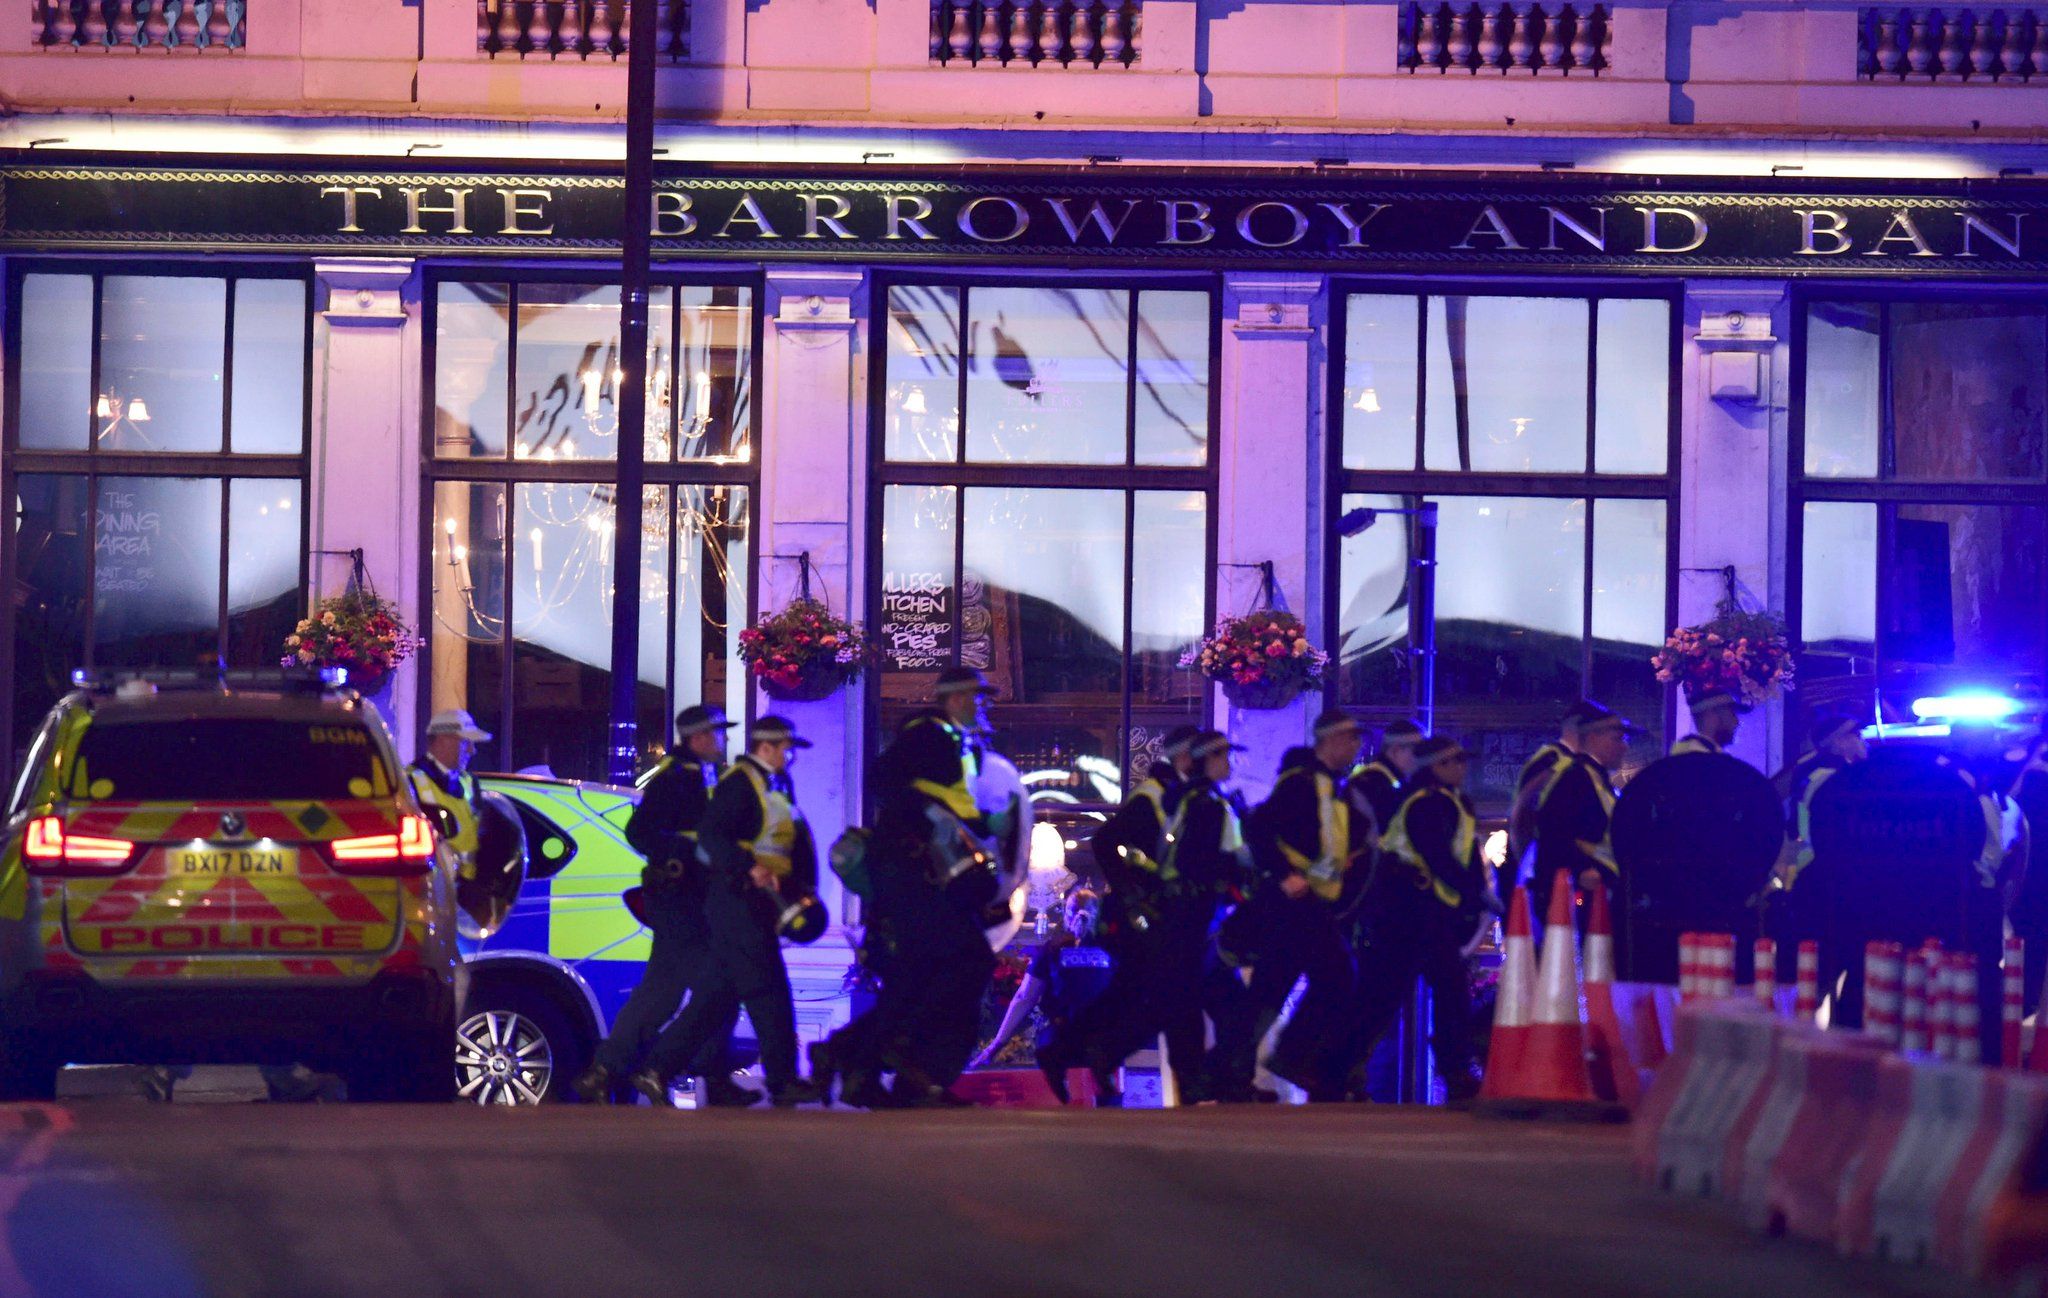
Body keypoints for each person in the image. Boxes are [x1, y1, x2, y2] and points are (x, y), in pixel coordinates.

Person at [812, 666, 1002, 1108]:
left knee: (924, 976)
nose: (984, 706)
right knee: (951, 966)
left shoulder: (961, 743)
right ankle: (893, 1070)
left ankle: (867, 1064)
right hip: (912, 876)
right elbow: (884, 780)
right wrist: (926, 816)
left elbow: (955, 808)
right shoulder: (927, 733)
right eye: (978, 697)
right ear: (956, 699)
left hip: (930, 877)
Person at [619, 715, 825, 1107]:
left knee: (717, 998)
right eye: (786, 749)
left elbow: (792, 840)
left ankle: (656, 1070)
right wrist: (748, 867)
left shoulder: (777, 782)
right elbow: (713, 838)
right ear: (766, 747)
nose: (791, 757)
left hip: (759, 903)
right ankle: (783, 1082)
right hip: (737, 903)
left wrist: (801, 888)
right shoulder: (739, 785)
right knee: (769, 991)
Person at [571, 705, 754, 1107]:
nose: (723, 739)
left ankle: (604, 1073)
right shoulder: (673, 778)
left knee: (663, 994)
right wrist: (679, 852)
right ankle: (681, 1073)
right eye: (717, 733)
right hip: (680, 902)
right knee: (716, 989)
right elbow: (640, 831)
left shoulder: (705, 775)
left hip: (695, 901)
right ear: (699, 738)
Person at [1083, 729, 1250, 1105]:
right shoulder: (1191, 802)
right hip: (1187, 920)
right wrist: (1137, 894)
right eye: (1222, 755)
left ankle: (1211, 1082)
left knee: (1184, 1004)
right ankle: (1209, 1082)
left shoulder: (1193, 798)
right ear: (1195, 760)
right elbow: (1199, 863)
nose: (1230, 763)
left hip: (1189, 919)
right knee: (1199, 1004)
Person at [1212, 708, 1369, 1102]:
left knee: (1286, 987)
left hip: (1312, 905)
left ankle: (1248, 1067)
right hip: (1291, 906)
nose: (1357, 745)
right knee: (1310, 982)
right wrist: (1285, 874)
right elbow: (1258, 826)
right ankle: (1269, 1063)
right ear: (1330, 740)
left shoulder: (1334, 786)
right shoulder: (1301, 783)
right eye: (1351, 738)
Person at [1350, 735, 1488, 1102]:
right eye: (1456, 761)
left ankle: (1456, 1072)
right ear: (1437, 766)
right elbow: (1438, 857)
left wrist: (1475, 894)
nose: (1463, 768)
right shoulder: (1424, 803)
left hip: (1429, 915)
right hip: (1406, 915)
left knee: (1448, 991)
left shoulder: (1453, 801)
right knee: (1383, 997)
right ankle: (1341, 1069)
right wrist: (1475, 894)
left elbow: (1464, 856)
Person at [970, 889, 1115, 1103]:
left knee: (1066, 1102)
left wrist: (995, 1045)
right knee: (1105, 1103)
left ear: (1067, 916)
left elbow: (1025, 998)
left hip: (1063, 1039)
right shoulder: (1112, 949)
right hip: (1103, 1041)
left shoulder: (1052, 950)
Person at [1527, 701, 1630, 927]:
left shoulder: (1595, 778)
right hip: (1576, 898)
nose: (1624, 747)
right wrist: (1581, 868)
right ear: (1593, 738)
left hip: (1594, 894)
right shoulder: (1576, 778)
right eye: (1617, 739)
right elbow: (1552, 830)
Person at [1506, 701, 1595, 891]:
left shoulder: (1569, 761)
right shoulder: (1553, 760)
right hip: (1545, 865)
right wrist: (1526, 862)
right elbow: (1523, 813)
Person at [1349, 720, 1422, 835]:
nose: (1419, 758)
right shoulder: (1374, 783)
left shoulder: (1389, 779)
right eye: (1416, 750)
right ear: (1396, 750)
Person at [1671, 687, 1744, 758]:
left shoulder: (1676, 759)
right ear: (1710, 715)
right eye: (1732, 714)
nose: (1736, 722)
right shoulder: (1716, 763)